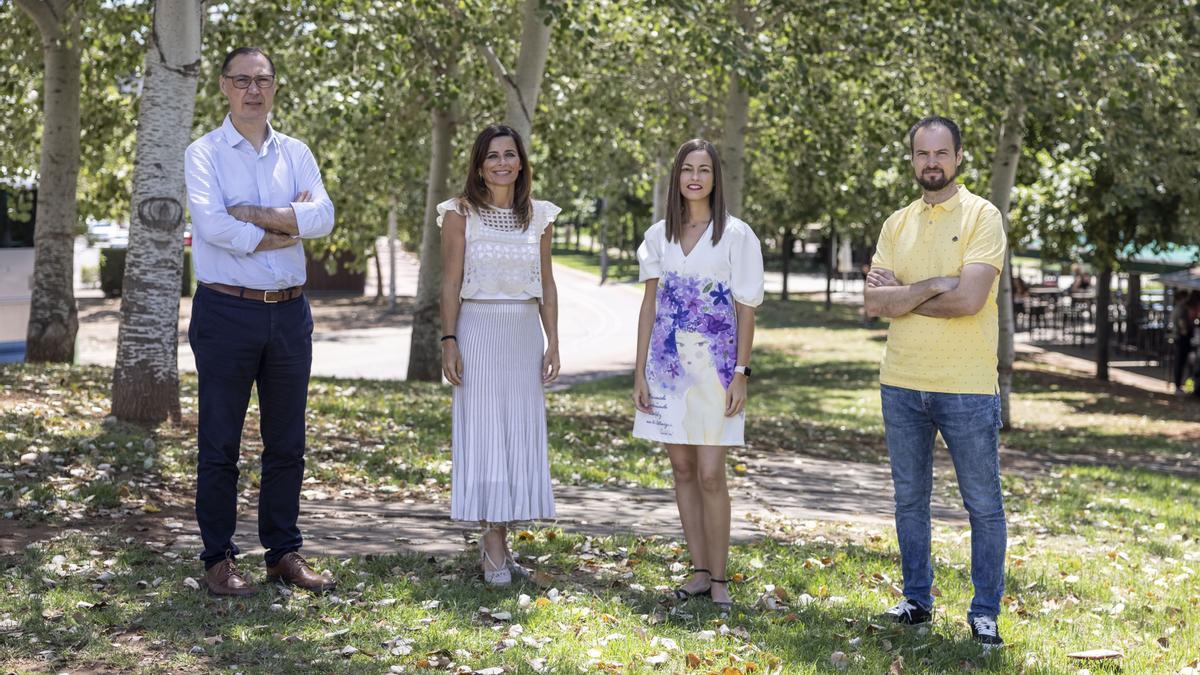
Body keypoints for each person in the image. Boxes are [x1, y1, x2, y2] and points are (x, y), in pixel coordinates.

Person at [184, 47, 336, 595]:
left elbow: (323, 216)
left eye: (264, 80)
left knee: (287, 442)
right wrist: (282, 226)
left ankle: (283, 554)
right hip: (226, 310)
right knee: (220, 444)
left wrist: (250, 211)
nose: (254, 90)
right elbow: (211, 224)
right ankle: (218, 561)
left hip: (290, 313)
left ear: (275, 86)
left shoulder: (296, 152)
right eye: (243, 80)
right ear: (224, 86)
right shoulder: (202, 154)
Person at [864, 116, 1007, 648]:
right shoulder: (895, 224)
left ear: (959, 157)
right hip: (901, 381)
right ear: (912, 160)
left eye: (941, 154)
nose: (931, 163)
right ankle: (916, 601)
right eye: (922, 154)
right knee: (909, 501)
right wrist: (933, 284)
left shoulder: (982, 217)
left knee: (982, 505)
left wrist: (905, 294)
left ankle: (985, 611)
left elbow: (970, 300)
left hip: (967, 387)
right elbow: (875, 303)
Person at [632, 139, 765, 611]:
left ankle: (722, 578)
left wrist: (742, 374)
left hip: (717, 372)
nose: (694, 177)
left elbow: (746, 310)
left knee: (711, 473)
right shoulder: (657, 236)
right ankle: (699, 572)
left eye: (704, 169)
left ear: (715, 178)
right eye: (687, 169)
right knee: (683, 469)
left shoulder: (737, 236)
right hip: (666, 371)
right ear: (676, 176)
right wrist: (639, 372)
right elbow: (649, 307)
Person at [438, 124, 560, 586]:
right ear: (479, 165)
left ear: (522, 163)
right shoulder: (458, 213)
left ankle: (503, 543)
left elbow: (547, 284)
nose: (503, 163)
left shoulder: (541, 216)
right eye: (493, 156)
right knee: (486, 431)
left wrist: (554, 341)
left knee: (514, 433)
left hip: (524, 332)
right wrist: (448, 339)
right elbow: (449, 281)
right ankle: (490, 545)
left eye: (510, 155)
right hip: (479, 330)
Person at [1170, 291, 1193, 395]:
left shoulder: (1177, 308)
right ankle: (1179, 386)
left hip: (1179, 338)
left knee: (1181, 363)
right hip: (1181, 339)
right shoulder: (1181, 310)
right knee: (1180, 363)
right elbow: (1182, 326)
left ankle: (1182, 386)